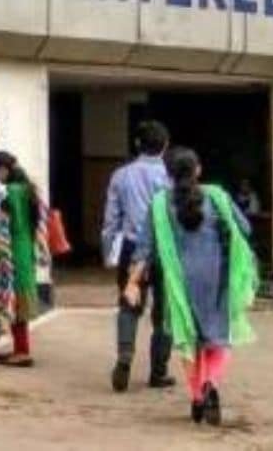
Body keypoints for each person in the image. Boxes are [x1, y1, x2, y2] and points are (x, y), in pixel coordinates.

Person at [125, 148, 258, 426]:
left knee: (189, 339)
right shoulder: (218, 197)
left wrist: (133, 282)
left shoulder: (159, 205)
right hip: (216, 279)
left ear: (168, 174)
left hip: (179, 283)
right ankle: (211, 384)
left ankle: (197, 397)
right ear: (198, 170)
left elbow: (144, 248)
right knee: (218, 337)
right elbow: (244, 229)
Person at [102, 119, 174, 392]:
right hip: (165, 249)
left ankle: (124, 357)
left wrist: (108, 251)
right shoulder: (170, 176)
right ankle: (159, 371)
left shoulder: (120, 175)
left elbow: (111, 219)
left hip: (132, 248)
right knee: (165, 310)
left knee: (129, 304)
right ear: (165, 145)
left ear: (136, 144)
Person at [0, 151, 49, 367]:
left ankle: (22, 351)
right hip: (26, 247)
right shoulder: (28, 189)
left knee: (15, 298)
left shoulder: (10, 192)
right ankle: (19, 348)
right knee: (19, 297)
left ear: (3, 169)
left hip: (14, 248)